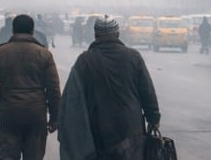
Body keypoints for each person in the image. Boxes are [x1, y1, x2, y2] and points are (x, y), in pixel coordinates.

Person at [59, 15, 160, 160]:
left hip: (98, 130)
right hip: (130, 128)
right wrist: (153, 118)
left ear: (95, 35)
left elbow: (72, 99)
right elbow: (147, 91)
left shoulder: (85, 60)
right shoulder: (133, 57)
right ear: (117, 34)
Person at [0, 14, 60, 160]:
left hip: (9, 112)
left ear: (13, 30)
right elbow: (53, 89)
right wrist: (55, 117)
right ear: (32, 31)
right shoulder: (44, 54)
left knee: (8, 155)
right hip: (36, 113)